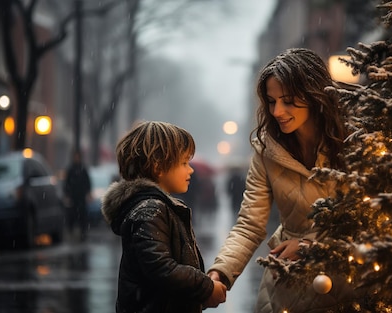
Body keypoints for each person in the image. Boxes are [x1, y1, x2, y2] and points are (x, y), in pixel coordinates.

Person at [207, 48, 351, 313]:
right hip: (287, 289)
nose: (277, 111)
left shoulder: (353, 143)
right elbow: (250, 224)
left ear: (312, 94)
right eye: (271, 101)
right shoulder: (267, 151)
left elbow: (370, 217)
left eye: (287, 100)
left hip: (348, 283)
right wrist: (220, 274)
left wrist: (311, 245)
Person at [100, 121, 227, 312]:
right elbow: (161, 269)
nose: (190, 169)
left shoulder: (159, 207)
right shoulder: (150, 210)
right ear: (158, 167)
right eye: (184, 163)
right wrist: (206, 288)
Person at [63, 150, 92, 241]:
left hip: (81, 197)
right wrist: (67, 195)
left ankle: (83, 233)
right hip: (73, 197)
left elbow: (87, 183)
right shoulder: (71, 169)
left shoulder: (83, 169)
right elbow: (67, 183)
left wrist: (87, 193)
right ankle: (71, 231)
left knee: (82, 216)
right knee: (72, 215)